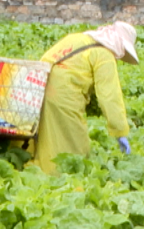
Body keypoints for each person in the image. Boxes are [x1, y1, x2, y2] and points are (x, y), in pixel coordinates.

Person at [30, 21, 138, 174]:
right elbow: (109, 96)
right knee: (75, 146)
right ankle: (59, 180)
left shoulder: (77, 39)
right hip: (65, 96)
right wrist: (120, 131)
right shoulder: (104, 54)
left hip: (39, 87)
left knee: (45, 137)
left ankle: (37, 174)